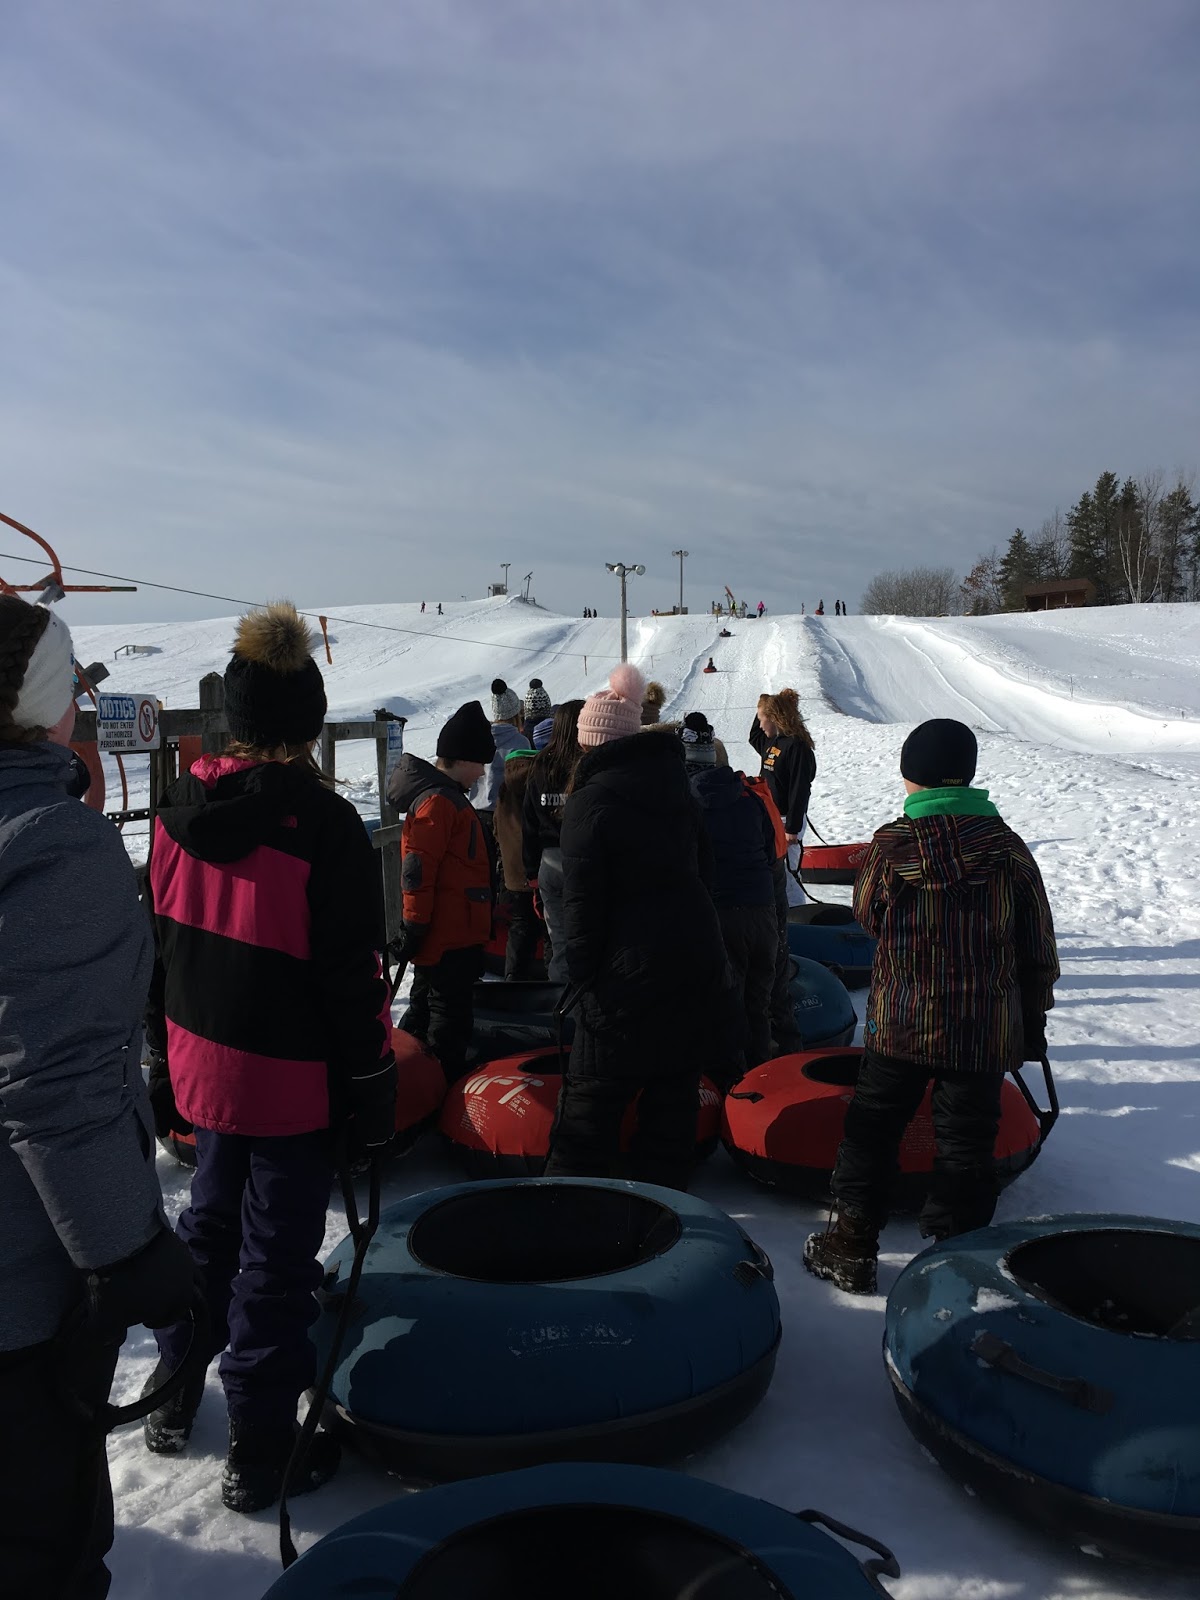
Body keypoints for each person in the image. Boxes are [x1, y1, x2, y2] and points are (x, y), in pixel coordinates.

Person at [142, 601, 395, 1515]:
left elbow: (159, 954)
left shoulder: (174, 818)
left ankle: (172, 1392)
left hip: (205, 1066)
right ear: (307, 725)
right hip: (289, 1079)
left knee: (209, 1226)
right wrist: (369, 1079)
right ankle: (259, 1440)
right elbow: (348, 978)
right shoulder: (324, 829)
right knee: (276, 1259)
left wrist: (165, 1062)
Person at [0, 595, 194, 1599]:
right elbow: (58, 1084)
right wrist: (128, 1250)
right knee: (44, 1552)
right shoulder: (51, 843)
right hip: (20, 1298)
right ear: (43, 709)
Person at [805, 720, 1059, 1294]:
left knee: (871, 1128)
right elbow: (1036, 944)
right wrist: (1033, 1017)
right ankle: (958, 1261)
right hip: (981, 1029)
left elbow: (868, 916)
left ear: (909, 776)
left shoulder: (890, 846)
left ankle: (850, 1246)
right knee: (968, 1142)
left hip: (901, 1020)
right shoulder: (1009, 848)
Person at [544, 666, 728, 1190]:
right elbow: (706, 876)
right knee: (671, 1113)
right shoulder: (678, 786)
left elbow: (581, 907)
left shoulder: (590, 801)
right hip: (692, 965)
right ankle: (662, 1227)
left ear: (591, 742)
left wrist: (578, 982)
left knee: (587, 1113)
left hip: (623, 981)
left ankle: (564, 1220)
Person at [390, 702, 495, 1082]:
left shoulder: (448, 798)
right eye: (480, 762)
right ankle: (438, 1085)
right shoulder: (439, 801)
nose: (483, 771)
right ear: (464, 759)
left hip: (454, 933)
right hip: (447, 936)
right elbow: (418, 869)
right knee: (447, 1018)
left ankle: (414, 1078)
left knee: (427, 1006)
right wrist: (414, 925)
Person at [681, 714, 778, 1082]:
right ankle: (762, 1083)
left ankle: (730, 1088)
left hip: (719, 912)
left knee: (723, 1004)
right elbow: (771, 853)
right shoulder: (749, 798)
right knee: (758, 1004)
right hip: (762, 911)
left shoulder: (685, 805)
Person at [749, 690, 817, 1051]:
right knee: (777, 871)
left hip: (788, 820)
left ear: (777, 717)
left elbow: (800, 787)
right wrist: (762, 702)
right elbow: (754, 737)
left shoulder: (797, 748)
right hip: (773, 817)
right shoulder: (773, 742)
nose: (760, 722)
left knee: (787, 873)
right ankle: (786, 917)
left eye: (764, 715)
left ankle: (793, 920)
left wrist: (792, 825)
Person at [522, 700, 584, 983]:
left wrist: (532, 875)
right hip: (582, 857)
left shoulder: (541, 764)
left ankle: (561, 1006)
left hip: (549, 861)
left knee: (559, 942)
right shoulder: (585, 764)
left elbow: (529, 822)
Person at [494, 744, 543, 981]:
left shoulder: (504, 792)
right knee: (549, 929)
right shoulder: (540, 787)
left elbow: (496, 829)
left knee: (519, 926)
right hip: (540, 870)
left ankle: (513, 977)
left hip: (513, 874)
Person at [473, 679, 529, 847]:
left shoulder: (480, 740)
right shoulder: (521, 742)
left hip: (477, 811)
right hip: (507, 813)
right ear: (516, 715)